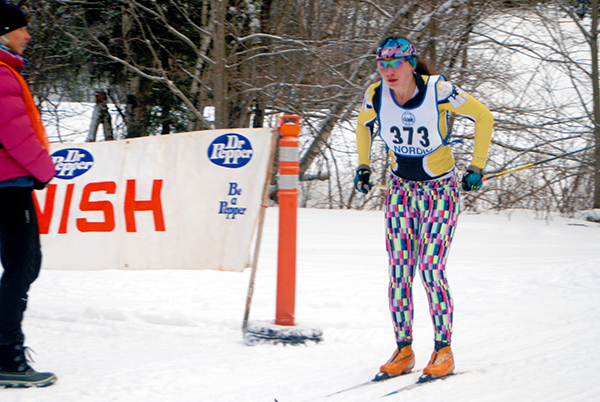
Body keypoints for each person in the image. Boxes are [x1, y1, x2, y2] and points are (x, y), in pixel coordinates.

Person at [354, 36, 493, 383]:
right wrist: (363, 165)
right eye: (381, 62)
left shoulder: (439, 91)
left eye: (395, 62)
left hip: (439, 193)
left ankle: (443, 349)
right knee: (399, 271)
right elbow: (362, 124)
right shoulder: (375, 94)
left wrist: (476, 167)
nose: (387, 70)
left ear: (411, 63)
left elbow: (483, 116)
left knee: (430, 268)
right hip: (401, 192)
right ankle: (404, 351)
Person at [0, 0, 57, 387]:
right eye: (22, 28)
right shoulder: (2, 76)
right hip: (8, 185)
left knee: (21, 265)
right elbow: (15, 133)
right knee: (23, 265)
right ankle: (7, 354)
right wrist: (44, 170)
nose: (28, 35)